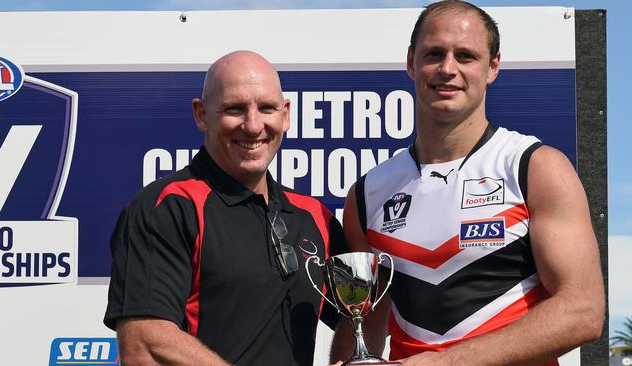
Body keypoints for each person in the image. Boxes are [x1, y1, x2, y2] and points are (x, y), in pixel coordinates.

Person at [330, 1, 604, 365]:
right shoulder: (367, 194)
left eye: (465, 56)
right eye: (434, 54)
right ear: (411, 62)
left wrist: (443, 362)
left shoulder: (534, 167)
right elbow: (365, 323)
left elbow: (583, 311)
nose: (447, 68)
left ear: (493, 67)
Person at [104, 50, 347, 365]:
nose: (252, 125)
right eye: (235, 109)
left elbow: (363, 313)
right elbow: (144, 343)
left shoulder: (315, 216)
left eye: (267, 108)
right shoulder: (168, 206)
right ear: (201, 114)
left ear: (285, 115)